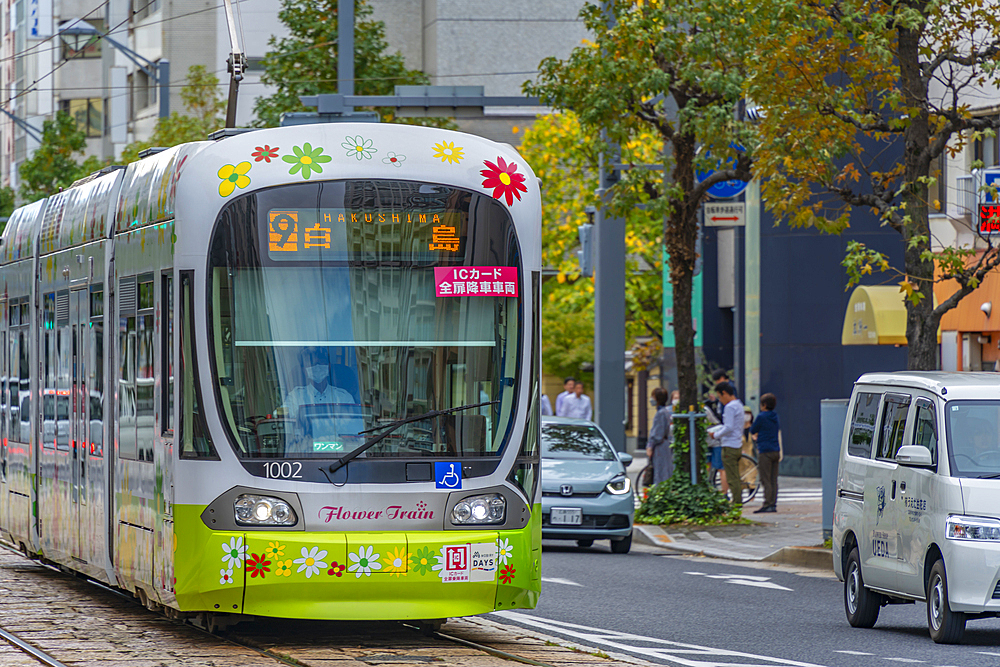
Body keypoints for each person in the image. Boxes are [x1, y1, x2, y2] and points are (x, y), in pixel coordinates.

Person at [710, 382, 745, 507]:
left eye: (720, 396)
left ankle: (736, 503)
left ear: (724, 393)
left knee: (732, 477)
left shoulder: (730, 407)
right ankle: (737, 501)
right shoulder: (739, 405)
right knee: (735, 475)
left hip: (729, 445)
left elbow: (728, 427)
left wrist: (715, 435)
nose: (720, 400)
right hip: (737, 443)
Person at [750, 393, 782, 513]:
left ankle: (767, 503)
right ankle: (773, 503)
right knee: (773, 479)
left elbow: (753, 429)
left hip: (765, 451)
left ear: (763, 405)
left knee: (765, 479)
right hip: (776, 450)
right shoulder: (775, 416)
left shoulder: (761, 416)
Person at [646, 387, 674, 484]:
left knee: (660, 471)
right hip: (664, 445)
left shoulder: (660, 413)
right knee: (664, 470)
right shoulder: (664, 412)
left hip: (660, 447)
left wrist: (650, 446)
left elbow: (657, 433)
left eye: (653, 396)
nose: (651, 399)